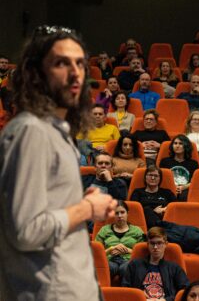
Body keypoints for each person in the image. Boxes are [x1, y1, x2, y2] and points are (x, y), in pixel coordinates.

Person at [0, 25, 117, 301]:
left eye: (79, 63)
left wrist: (76, 205)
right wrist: (87, 208)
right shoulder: (32, 132)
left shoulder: (54, 131)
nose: (75, 73)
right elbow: (27, 230)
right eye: (61, 63)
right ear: (35, 73)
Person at [121, 226, 189, 301]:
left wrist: (166, 300)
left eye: (159, 243)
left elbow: (185, 291)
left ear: (166, 244)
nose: (155, 247)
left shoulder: (174, 268)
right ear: (148, 244)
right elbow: (126, 290)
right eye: (152, 243)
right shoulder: (135, 265)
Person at [95, 200, 145, 280]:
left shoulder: (137, 231)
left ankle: (126, 291)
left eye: (122, 212)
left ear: (127, 213)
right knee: (108, 267)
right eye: (116, 213)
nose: (119, 215)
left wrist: (128, 250)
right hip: (109, 260)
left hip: (129, 260)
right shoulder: (104, 230)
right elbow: (96, 254)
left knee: (126, 268)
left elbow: (143, 254)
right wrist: (111, 249)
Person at [159, 134, 199, 201]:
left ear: (186, 146)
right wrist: (173, 187)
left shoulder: (193, 163)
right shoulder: (165, 161)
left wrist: (182, 187)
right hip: (168, 188)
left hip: (185, 189)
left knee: (184, 197)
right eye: (175, 143)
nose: (177, 146)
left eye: (180, 144)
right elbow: (161, 178)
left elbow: (195, 181)